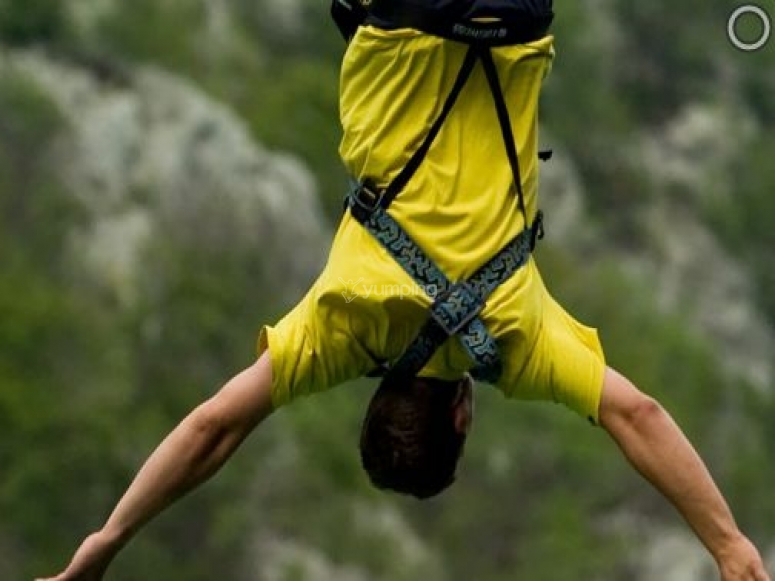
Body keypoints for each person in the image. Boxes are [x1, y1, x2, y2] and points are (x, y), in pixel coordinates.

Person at [40, 1, 771, 579]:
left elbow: (636, 416)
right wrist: (105, 540)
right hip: (396, 19)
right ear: (378, 396)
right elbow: (210, 430)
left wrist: (729, 545)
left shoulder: (518, 343)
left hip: (513, 19)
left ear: (459, 418)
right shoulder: (337, 331)